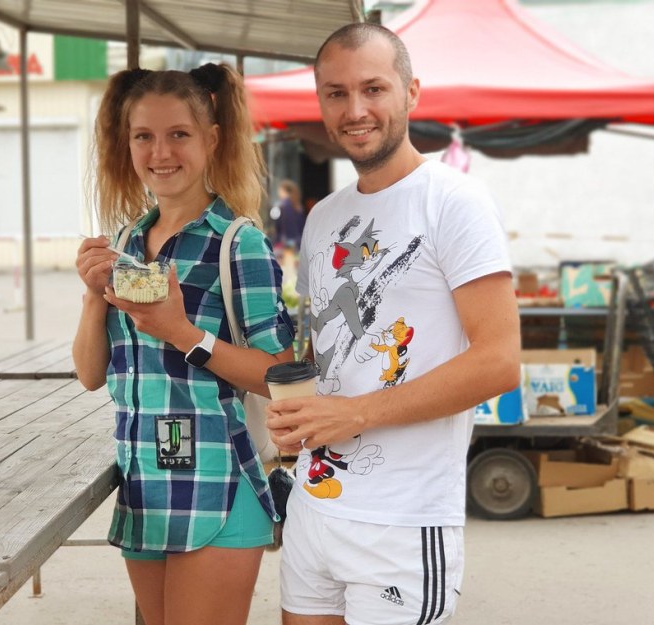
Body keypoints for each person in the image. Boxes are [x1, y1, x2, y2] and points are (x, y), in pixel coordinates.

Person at [266, 24, 521, 625]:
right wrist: (298, 415)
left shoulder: (455, 201)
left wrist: (354, 414)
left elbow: (500, 361)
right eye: (335, 93)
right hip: (316, 500)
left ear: (411, 93)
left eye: (373, 88)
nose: (355, 110)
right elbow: (324, 355)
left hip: (403, 520)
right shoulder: (324, 215)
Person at [71, 63, 296, 625]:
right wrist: (96, 293)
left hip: (216, 484)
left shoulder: (237, 244)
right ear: (127, 144)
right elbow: (91, 375)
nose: (160, 151)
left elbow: (281, 374)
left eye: (179, 134)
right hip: (143, 482)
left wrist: (182, 332)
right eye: (143, 136)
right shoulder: (124, 242)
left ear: (211, 140)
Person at [273, 179, 306, 262]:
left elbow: (281, 226)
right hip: (298, 242)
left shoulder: (282, 205)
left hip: (286, 244)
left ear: (284, 191)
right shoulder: (298, 206)